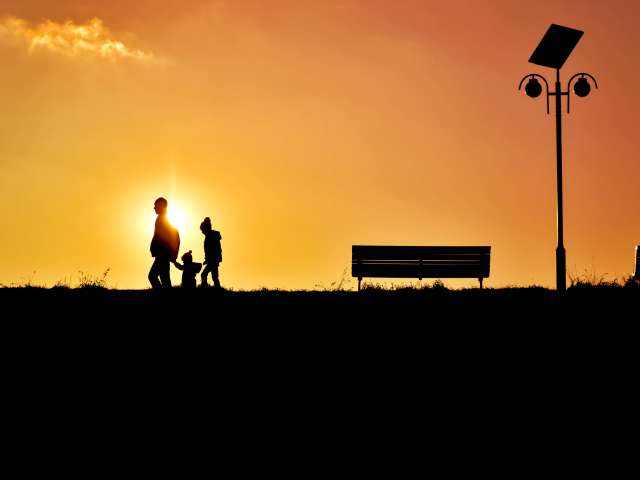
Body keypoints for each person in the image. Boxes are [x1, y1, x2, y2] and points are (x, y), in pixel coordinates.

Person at [148, 197, 180, 288]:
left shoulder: (163, 220)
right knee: (165, 278)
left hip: (163, 255)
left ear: (162, 206)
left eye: (156, 206)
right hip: (163, 255)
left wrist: (172, 254)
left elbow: (174, 235)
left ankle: (163, 297)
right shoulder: (161, 219)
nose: (154, 208)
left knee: (153, 276)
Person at [200, 217, 222, 288]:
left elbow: (211, 250)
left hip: (213, 260)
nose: (202, 232)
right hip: (213, 260)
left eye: (202, 230)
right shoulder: (212, 236)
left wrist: (208, 259)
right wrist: (207, 260)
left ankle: (205, 288)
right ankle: (217, 288)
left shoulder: (210, 237)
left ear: (205, 229)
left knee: (205, 275)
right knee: (214, 276)